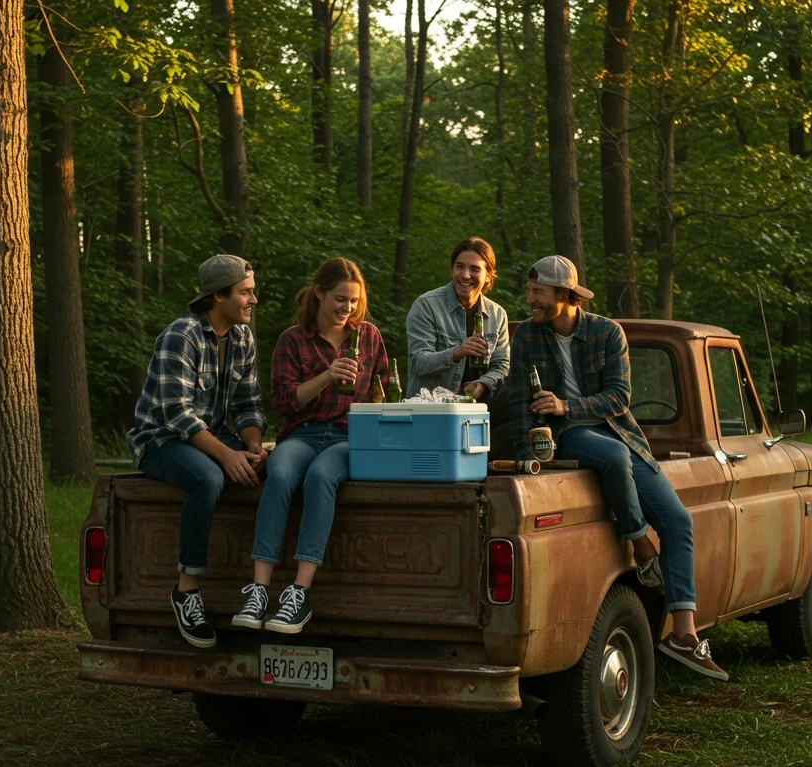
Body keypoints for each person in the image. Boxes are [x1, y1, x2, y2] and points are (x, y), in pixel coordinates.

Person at [507, 255, 728, 681]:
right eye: (530, 291)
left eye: (538, 293)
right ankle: (641, 543)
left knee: (679, 521)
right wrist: (526, 451)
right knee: (610, 458)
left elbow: (619, 397)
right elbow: (519, 400)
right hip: (562, 434)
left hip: (619, 433)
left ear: (565, 296)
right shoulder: (527, 337)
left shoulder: (607, 332)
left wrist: (567, 402)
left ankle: (683, 632)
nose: (529, 299)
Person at [232, 258, 388, 634]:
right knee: (281, 473)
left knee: (321, 477)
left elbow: (383, 389)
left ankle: (299, 593)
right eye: (339, 299)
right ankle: (258, 591)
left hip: (349, 436)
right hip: (302, 433)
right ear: (318, 293)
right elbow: (285, 402)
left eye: (353, 301)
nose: (346, 308)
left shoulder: (367, 336)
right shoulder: (293, 339)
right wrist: (327, 376)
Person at [127, 254, 268, 650]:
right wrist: (227, 456)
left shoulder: (242, 337)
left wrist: (253, 444)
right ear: (218, 296)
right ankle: (187, 590)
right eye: (246, 293)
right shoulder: (181, 335)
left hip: (214, 436)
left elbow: (248, 403)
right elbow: (177, 415)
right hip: (160, 440)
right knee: (206, 478)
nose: (252, 301)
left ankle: (261, 584)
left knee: (274, 464)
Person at [405, 236, 510, 401]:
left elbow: (502, 366)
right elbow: (418, 363)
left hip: (478, 404)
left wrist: (482, 384)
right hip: (432, 406)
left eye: (475, 269)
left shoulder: (497, 314)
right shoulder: (426, 305)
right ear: (452, 270)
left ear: (489, 276)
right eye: (459, 267)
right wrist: (456, 353)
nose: (465, 275)